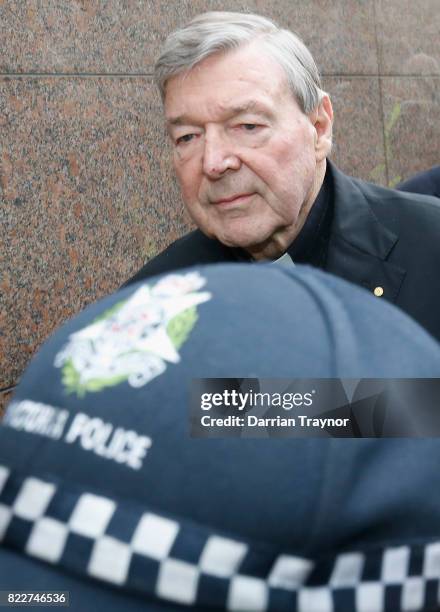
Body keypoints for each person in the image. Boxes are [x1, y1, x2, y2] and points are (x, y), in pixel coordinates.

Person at [1, 263, 440, 611]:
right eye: (187, 141)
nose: (216, 161)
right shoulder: (162, 283)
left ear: (321, 142)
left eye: (251, 140)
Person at [124, 11, 440, 344]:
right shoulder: (149, 309)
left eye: (248, 126)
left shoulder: (430, 246)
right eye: (188, 137)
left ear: (318, 127)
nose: (214, 162)